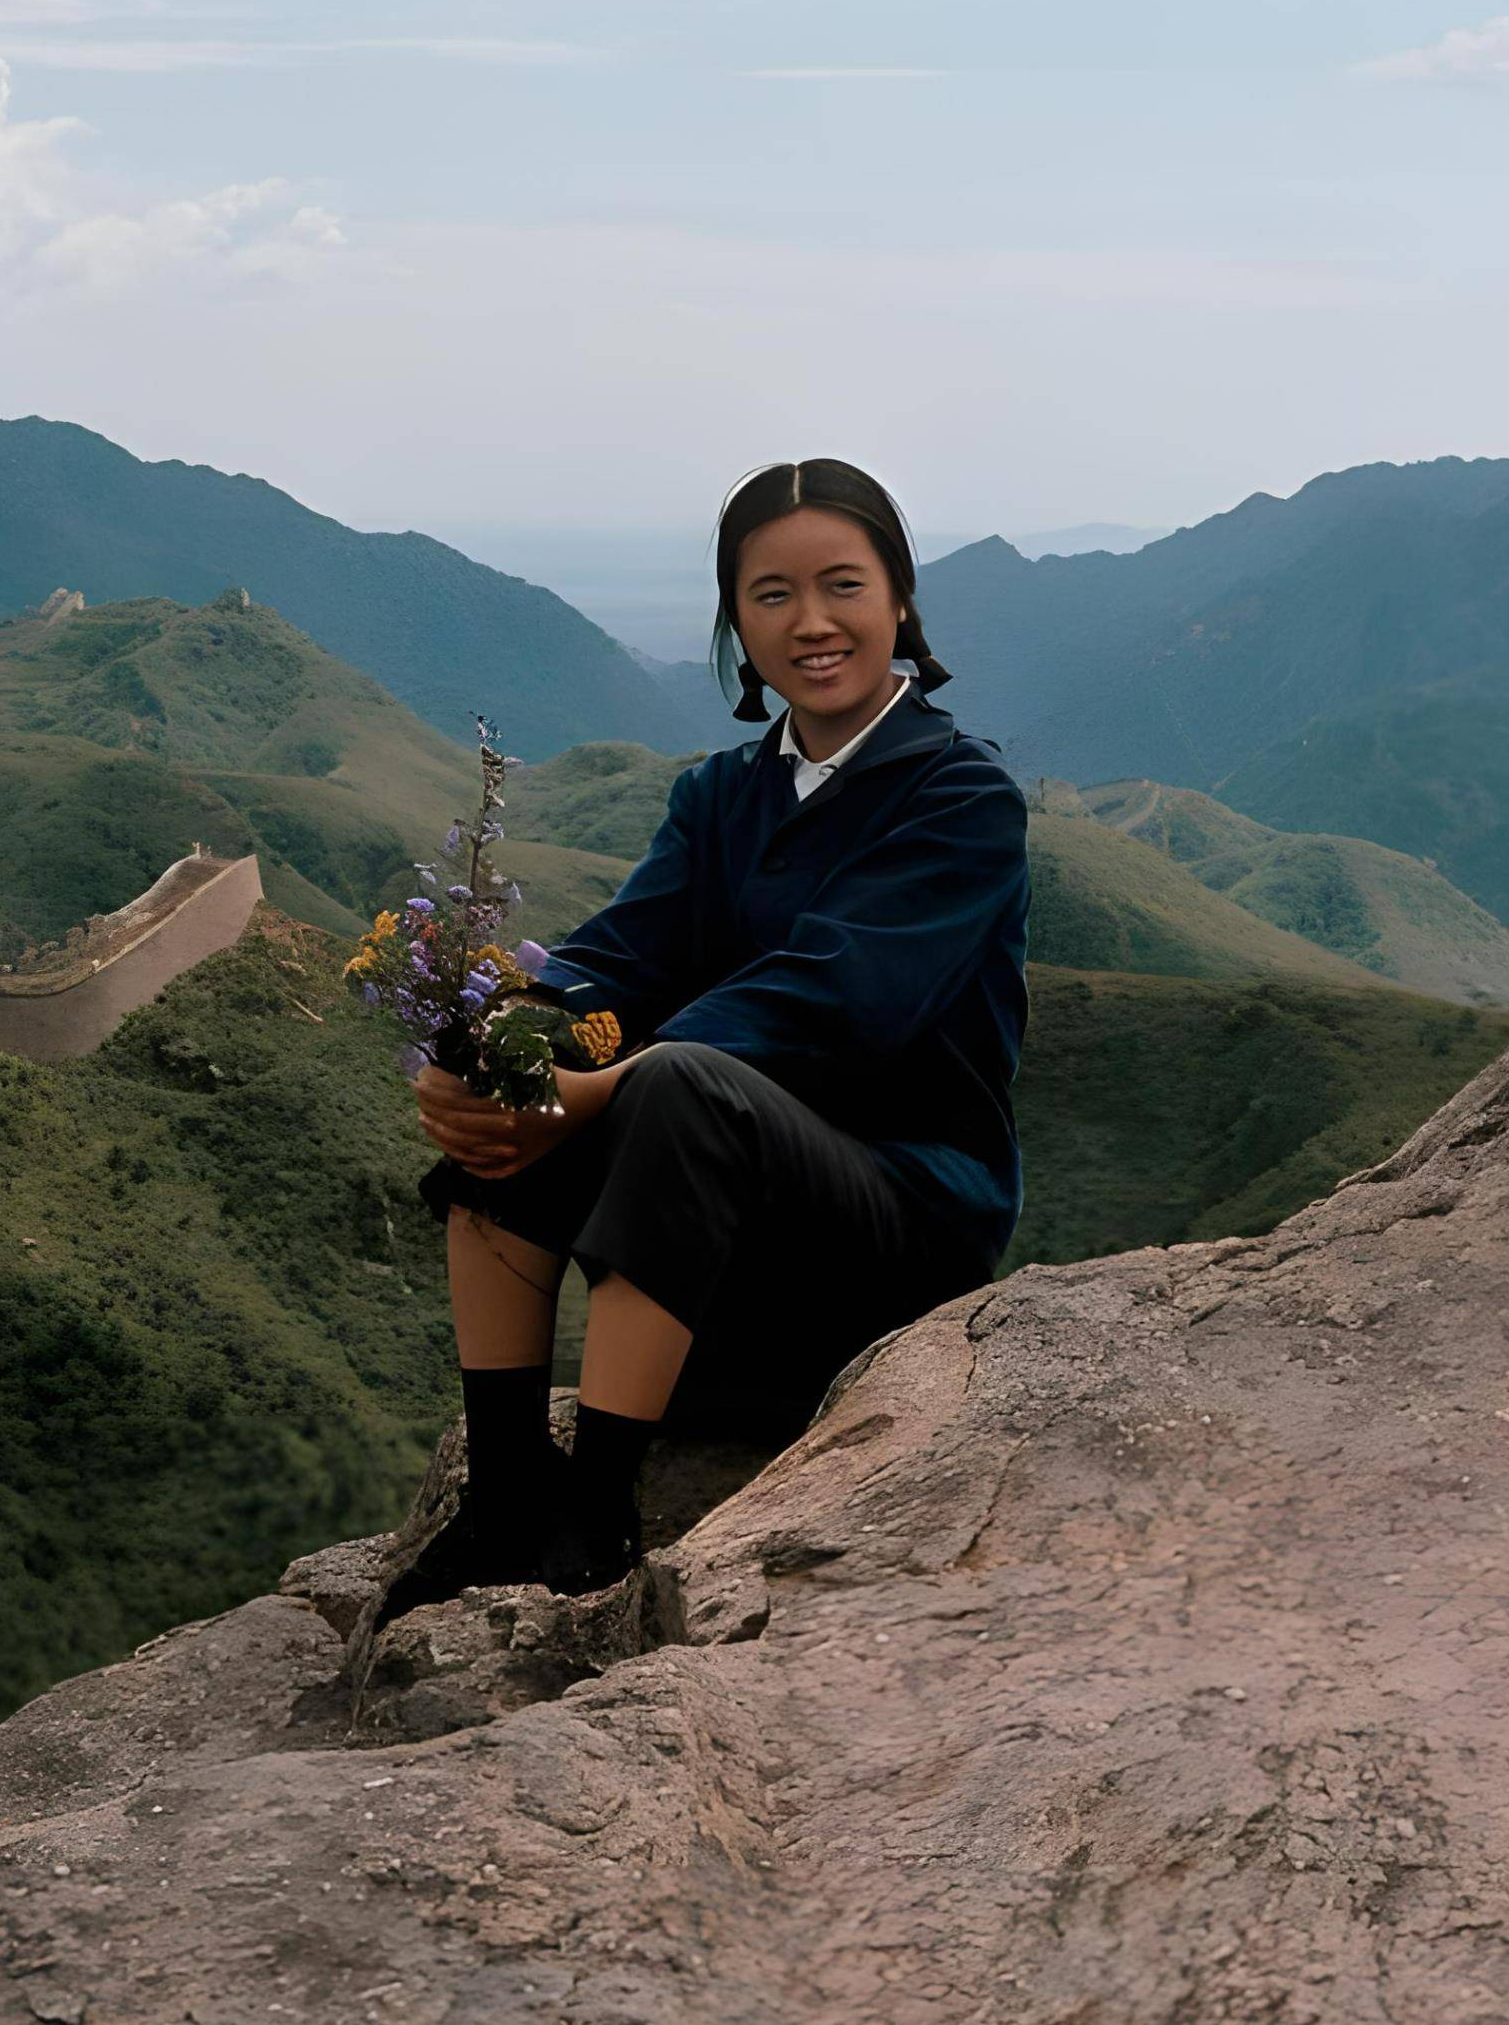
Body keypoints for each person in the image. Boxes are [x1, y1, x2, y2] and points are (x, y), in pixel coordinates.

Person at [378, 458, 1031, 1622]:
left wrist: (604, 1087)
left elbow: (833, 998)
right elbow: (619, 957)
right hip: (729, 1232)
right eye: (771, 594)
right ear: (736, 618)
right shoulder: (720, 796)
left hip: (899, 1229)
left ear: (899, 600)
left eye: (842, 584)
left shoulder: (959, 796)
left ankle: (599, 1504)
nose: (811, 621)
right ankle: (509, 1490)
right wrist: (498, 1038)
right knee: (503, 1089)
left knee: (679, 1080)